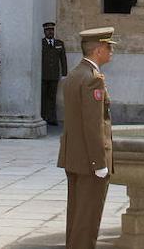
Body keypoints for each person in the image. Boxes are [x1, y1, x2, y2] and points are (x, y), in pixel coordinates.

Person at [58, 27, 117, 249]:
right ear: (99, 49)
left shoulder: (75, 73)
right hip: (89, 161)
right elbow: (93, 125)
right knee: (88, 220)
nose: (111, 52)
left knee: (76, 216)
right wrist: (99, 162)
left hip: (74, 156)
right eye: (109, 47)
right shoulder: (93, 79)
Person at [42, 22, 67, 126]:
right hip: (43, 75)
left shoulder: (59, 43)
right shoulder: (41, 43)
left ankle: (52, 118)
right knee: (43, 97)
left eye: (52, 30)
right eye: (48, 30)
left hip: (53, 75)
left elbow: (63, 59)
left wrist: (65, 73)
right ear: (44, 32)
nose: (50, 32)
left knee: (52, 97)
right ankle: (42, 117)